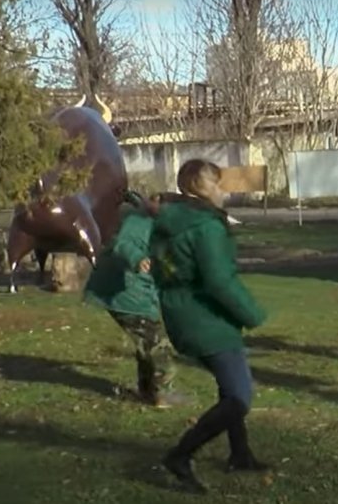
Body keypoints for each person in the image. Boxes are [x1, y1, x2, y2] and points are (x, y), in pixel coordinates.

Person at [150, 159, 269, 494]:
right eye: (215, 184)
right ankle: (180, 455)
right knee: (239, 397)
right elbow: (219, 281)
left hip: (180, 313)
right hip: (206, 317)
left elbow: (166, 268)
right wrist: (251, 313)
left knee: (228, 385)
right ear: (196, 188)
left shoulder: (168, 221)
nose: (222, 191)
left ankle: (240, 454)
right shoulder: (204, 226)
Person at [83, 189, 180, 407]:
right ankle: (162, 393)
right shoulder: (138, 221)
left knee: (146, 342)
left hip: (133, 291)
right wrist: (138, 259)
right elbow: (123, 244)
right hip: (126, 292)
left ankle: (147, 390)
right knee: (157, 344)